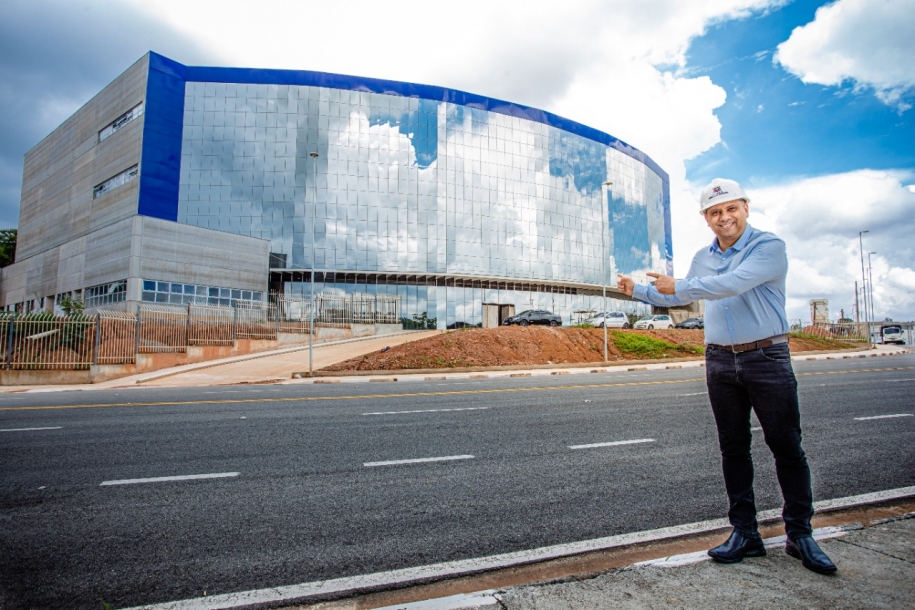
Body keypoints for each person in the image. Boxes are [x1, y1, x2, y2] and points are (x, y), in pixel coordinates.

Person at [616, 178, 836, 575]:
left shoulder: (768, 247)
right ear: (706, 218)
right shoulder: (703, 257)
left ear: (745, 208)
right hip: (719, 360)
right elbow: (683, 296)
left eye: (731, 208)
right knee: (733, 449)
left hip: (766, 357)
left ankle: (800, 534)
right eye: (715, 212)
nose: (724, 217)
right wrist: (638, 291)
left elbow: (731, 283)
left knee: (786, 446)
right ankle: (745, 533)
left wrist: (682, 284)